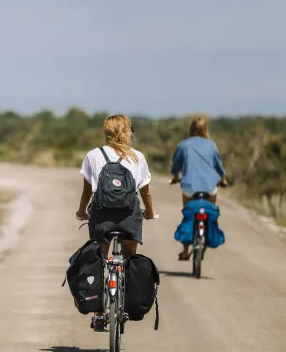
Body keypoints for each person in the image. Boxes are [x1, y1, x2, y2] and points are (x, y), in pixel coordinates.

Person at [76, 114, 157, 331]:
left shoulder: (93, 155)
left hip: (101, 216)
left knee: (100, 260)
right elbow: (145, 192)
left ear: (106, 132)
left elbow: (87, 191)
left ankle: (99, 313)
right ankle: (128, 305)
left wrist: (82, 211)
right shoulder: (137, 157)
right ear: (128, 132)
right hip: (129, 216)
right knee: (129, 260)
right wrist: (150, 212)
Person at [170, 117, 227, 261]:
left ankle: (185, 251)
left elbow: (176, 165)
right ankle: (207, 234)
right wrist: (223, 179)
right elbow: (219, 166)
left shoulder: (183, 145)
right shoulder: (212, 145)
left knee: (188, 215)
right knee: (210, 211)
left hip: (189, 187)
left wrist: (175, 176)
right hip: (210, 188)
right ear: (205, 129)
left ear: (191, 129)